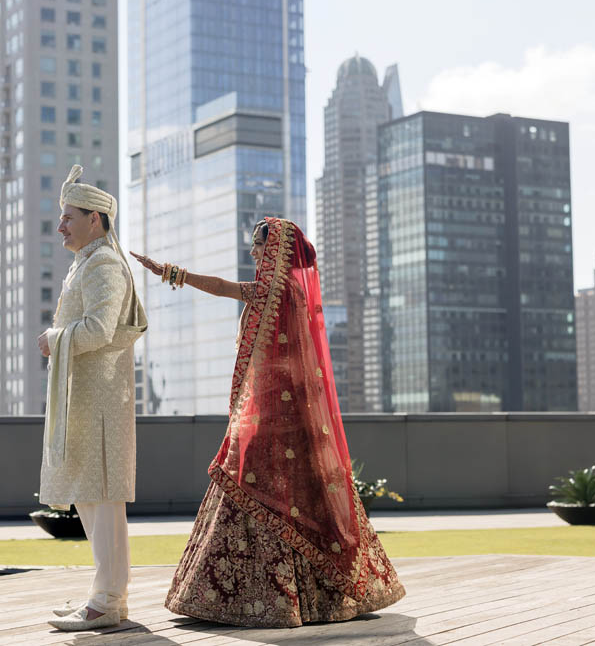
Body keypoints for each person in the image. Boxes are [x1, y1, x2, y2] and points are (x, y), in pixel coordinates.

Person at [131, 217, 405, 627]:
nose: (254, 253)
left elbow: (225, 289)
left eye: (260, 246)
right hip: (291, 419)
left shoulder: (275, 290)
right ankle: (313, 596)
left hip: (273, 419)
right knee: (296, 497)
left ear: (277, 249)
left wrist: (170, 272)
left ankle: (259, 598)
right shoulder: (294, 292)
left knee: (251, 484)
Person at [39, 165, 147, 631]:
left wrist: (54, 338)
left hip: (101, 399)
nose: (60, 225)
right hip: (86, 397)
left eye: (68, 217)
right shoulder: (87, 262)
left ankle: (106, 600)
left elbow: (101, 330)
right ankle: (107, 598)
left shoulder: (104, 264)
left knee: (102, 497)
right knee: (91, 495)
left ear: (95, 220)